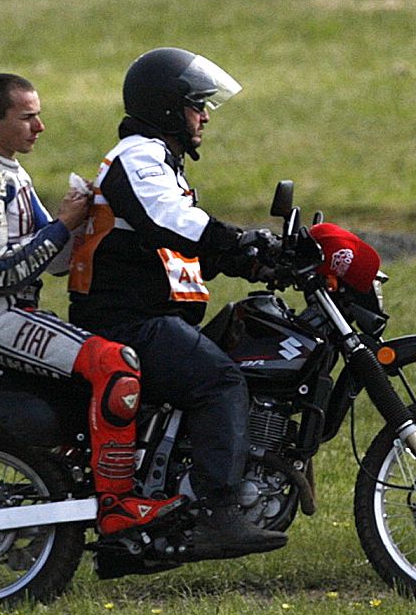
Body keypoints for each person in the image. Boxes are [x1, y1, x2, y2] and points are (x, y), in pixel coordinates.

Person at [0, 73, 182, 536]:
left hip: (17, 313)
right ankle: (117, 503)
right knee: (116, 365)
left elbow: (55, 261)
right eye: (28, 117)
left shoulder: (11, 173)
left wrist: (92, 218)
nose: (39, 127)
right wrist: (62, 225)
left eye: (39, 115)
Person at [67, 47, 288, 559]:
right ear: (167, 109)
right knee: (220, 380)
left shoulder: (160, 163)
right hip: (129, 324)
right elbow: (169, 221)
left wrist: (259, 262)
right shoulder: (137, 158)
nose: (205, 116)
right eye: (196, 106)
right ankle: (217, 512)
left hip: (150, 317)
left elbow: (179, 249)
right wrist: (241, 241)